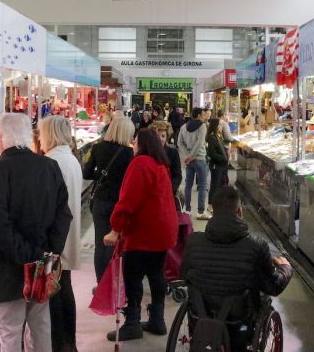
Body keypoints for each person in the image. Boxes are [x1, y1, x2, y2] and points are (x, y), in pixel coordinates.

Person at [0, 113, 72, 352]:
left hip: (7, 269)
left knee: (10, 336)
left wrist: (29, 257)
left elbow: (0, 227)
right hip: (42, 266)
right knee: (41, 330)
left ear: (1, 138)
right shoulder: (49, 166)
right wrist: (47, 254)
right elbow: (64, 214)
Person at [181, 187, 293, 351]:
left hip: (199, 316)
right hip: (239, 322)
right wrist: (285, 268)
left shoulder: (193, 241)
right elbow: (273, 286)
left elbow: (184, 275)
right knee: (262, 294)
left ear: (212, 209)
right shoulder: (256, 246)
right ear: (239, 211)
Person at [103, 129, 179, 341]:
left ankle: (133, 323)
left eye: (135, 142)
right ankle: (157, 320)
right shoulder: (160, 163)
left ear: (142, 144)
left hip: (144, 231)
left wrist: (116, 228)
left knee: (133, 276)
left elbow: (128, 200)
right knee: (156, 274)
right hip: (163, 230)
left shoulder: (140, 163)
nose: (133, 145)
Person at [38, 115, 83, 352]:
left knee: (56, 292)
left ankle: (61, 344)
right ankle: (69, 342)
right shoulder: (70, 159)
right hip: (68, 232)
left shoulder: (53, 160)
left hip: (57, 237)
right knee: (65, 287)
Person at [82, 116, 135, 282]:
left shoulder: (98, 148)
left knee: (100, 245)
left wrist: (101, 174)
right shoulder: (130, 153)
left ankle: (101, 284)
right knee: (120, 245)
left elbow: (87, 173)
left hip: (100, 202)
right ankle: (116, 282)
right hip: (120, 204)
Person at [178, 107, 210, 220]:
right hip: (200, 158)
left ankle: (187, 210)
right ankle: (201, 212)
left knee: (188, 185)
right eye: (203, 114)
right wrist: (192, 156)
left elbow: (179, 142)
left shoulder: (183, 126)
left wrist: (187, 155)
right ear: (199, 115)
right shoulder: (202, 126)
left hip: (189, 161)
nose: (204, 116)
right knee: (202, 185)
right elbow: (200, 143)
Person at [149, 121, 182, 207]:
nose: (160, 138)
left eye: (163, 136)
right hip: (150, 196)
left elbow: (177, 175)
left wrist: (169, 190)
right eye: (157, 136)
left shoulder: (173, 153)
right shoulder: (147, 153)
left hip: (167, 195)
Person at [206, 118, 229, 212]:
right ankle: (210, 205)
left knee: (220, 184)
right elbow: (211, 153)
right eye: (219, 125)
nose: (221, 126)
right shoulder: (212, 137)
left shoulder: (218, 136)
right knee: (215, 185)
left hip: (222, 165)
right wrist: (222, 158)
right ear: (215, 126)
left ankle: (217, 204)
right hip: (216, 165)